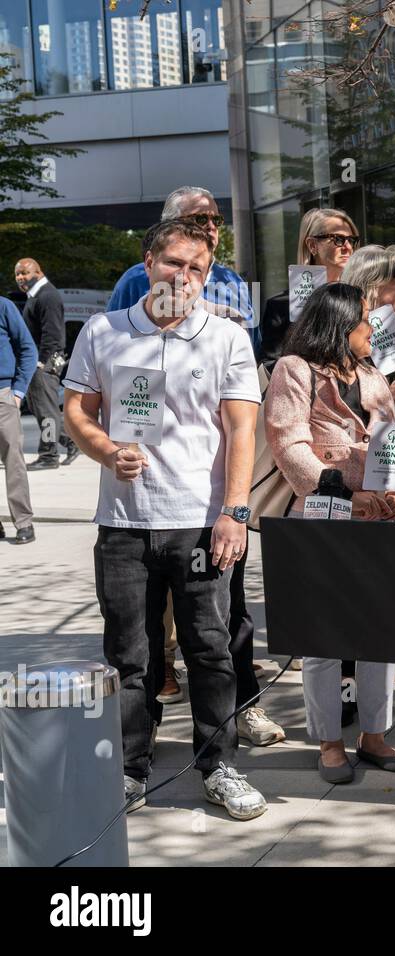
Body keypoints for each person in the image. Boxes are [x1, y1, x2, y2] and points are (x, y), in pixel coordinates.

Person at [62, 218, 268, 820]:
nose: (184, 276)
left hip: (201, 522)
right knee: (131, 654)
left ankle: (218, 764)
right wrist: (106, 451)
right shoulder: (104, 332)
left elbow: (241, 430)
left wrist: (233, 512)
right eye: (174, 262)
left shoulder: (226, 337)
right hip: (124, 523)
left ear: (209, 276)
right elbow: (78, 408)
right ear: (148, 262)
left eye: (197, 268)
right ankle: (129, 769)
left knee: (211, 649)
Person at [116, 199, 283, 747]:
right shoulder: (126, 298)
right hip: (136, 505)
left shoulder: (230, 292)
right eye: (196, 217)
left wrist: (234, 508)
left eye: (213, 219)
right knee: (142, 638)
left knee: (220, 626)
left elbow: (240, 413)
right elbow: (112, 376)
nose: (208, 224)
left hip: (207, 503)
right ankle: (138, 744)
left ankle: (229, 732)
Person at [264, 282, 395, 783]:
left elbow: (393, 440)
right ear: (341, 323)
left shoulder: (372, 375)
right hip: (325, 515)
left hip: (379, 521)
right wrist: (347, 494)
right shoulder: (295, 370)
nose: (374, 328)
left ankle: (374, 735)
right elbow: (289, 446)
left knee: (381, 628)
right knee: (326, 637)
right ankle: (330, 742)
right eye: (366, 319)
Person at [340, 244, 395, 520]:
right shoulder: (346, 343)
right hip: (377, 468)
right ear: (373, 285)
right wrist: (387, 397)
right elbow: (335, 408)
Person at [108, 187, 254, 344]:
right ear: (170, 225)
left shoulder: (232, 280)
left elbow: (251, 346)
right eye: (201, 219)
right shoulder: (135, 278)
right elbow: (112, 336)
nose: (211, 226)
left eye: (216, 220)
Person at [258, 208, 360, 365]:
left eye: (351, 240)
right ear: (313, 245)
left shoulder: (361, 299)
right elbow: (270, 364)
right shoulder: (281, 305)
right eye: (338, 239)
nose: (348, 247)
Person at [14, 258, 74, 468]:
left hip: (44, 363)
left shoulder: (47, 296)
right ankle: (69, 440)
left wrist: (41, 362)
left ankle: (49, 456)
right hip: (41, 362)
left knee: (46, 411)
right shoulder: (37, 295)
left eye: (25, 273)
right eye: (17, 274)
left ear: (38, 273)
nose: (20, 278)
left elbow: (53, 333)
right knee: (43, 407)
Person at [0, 295, 36, 543]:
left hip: (3, 395)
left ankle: (24, 523)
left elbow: (27, 348)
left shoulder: (4, 306)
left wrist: (18, 391)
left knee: (13, 461)